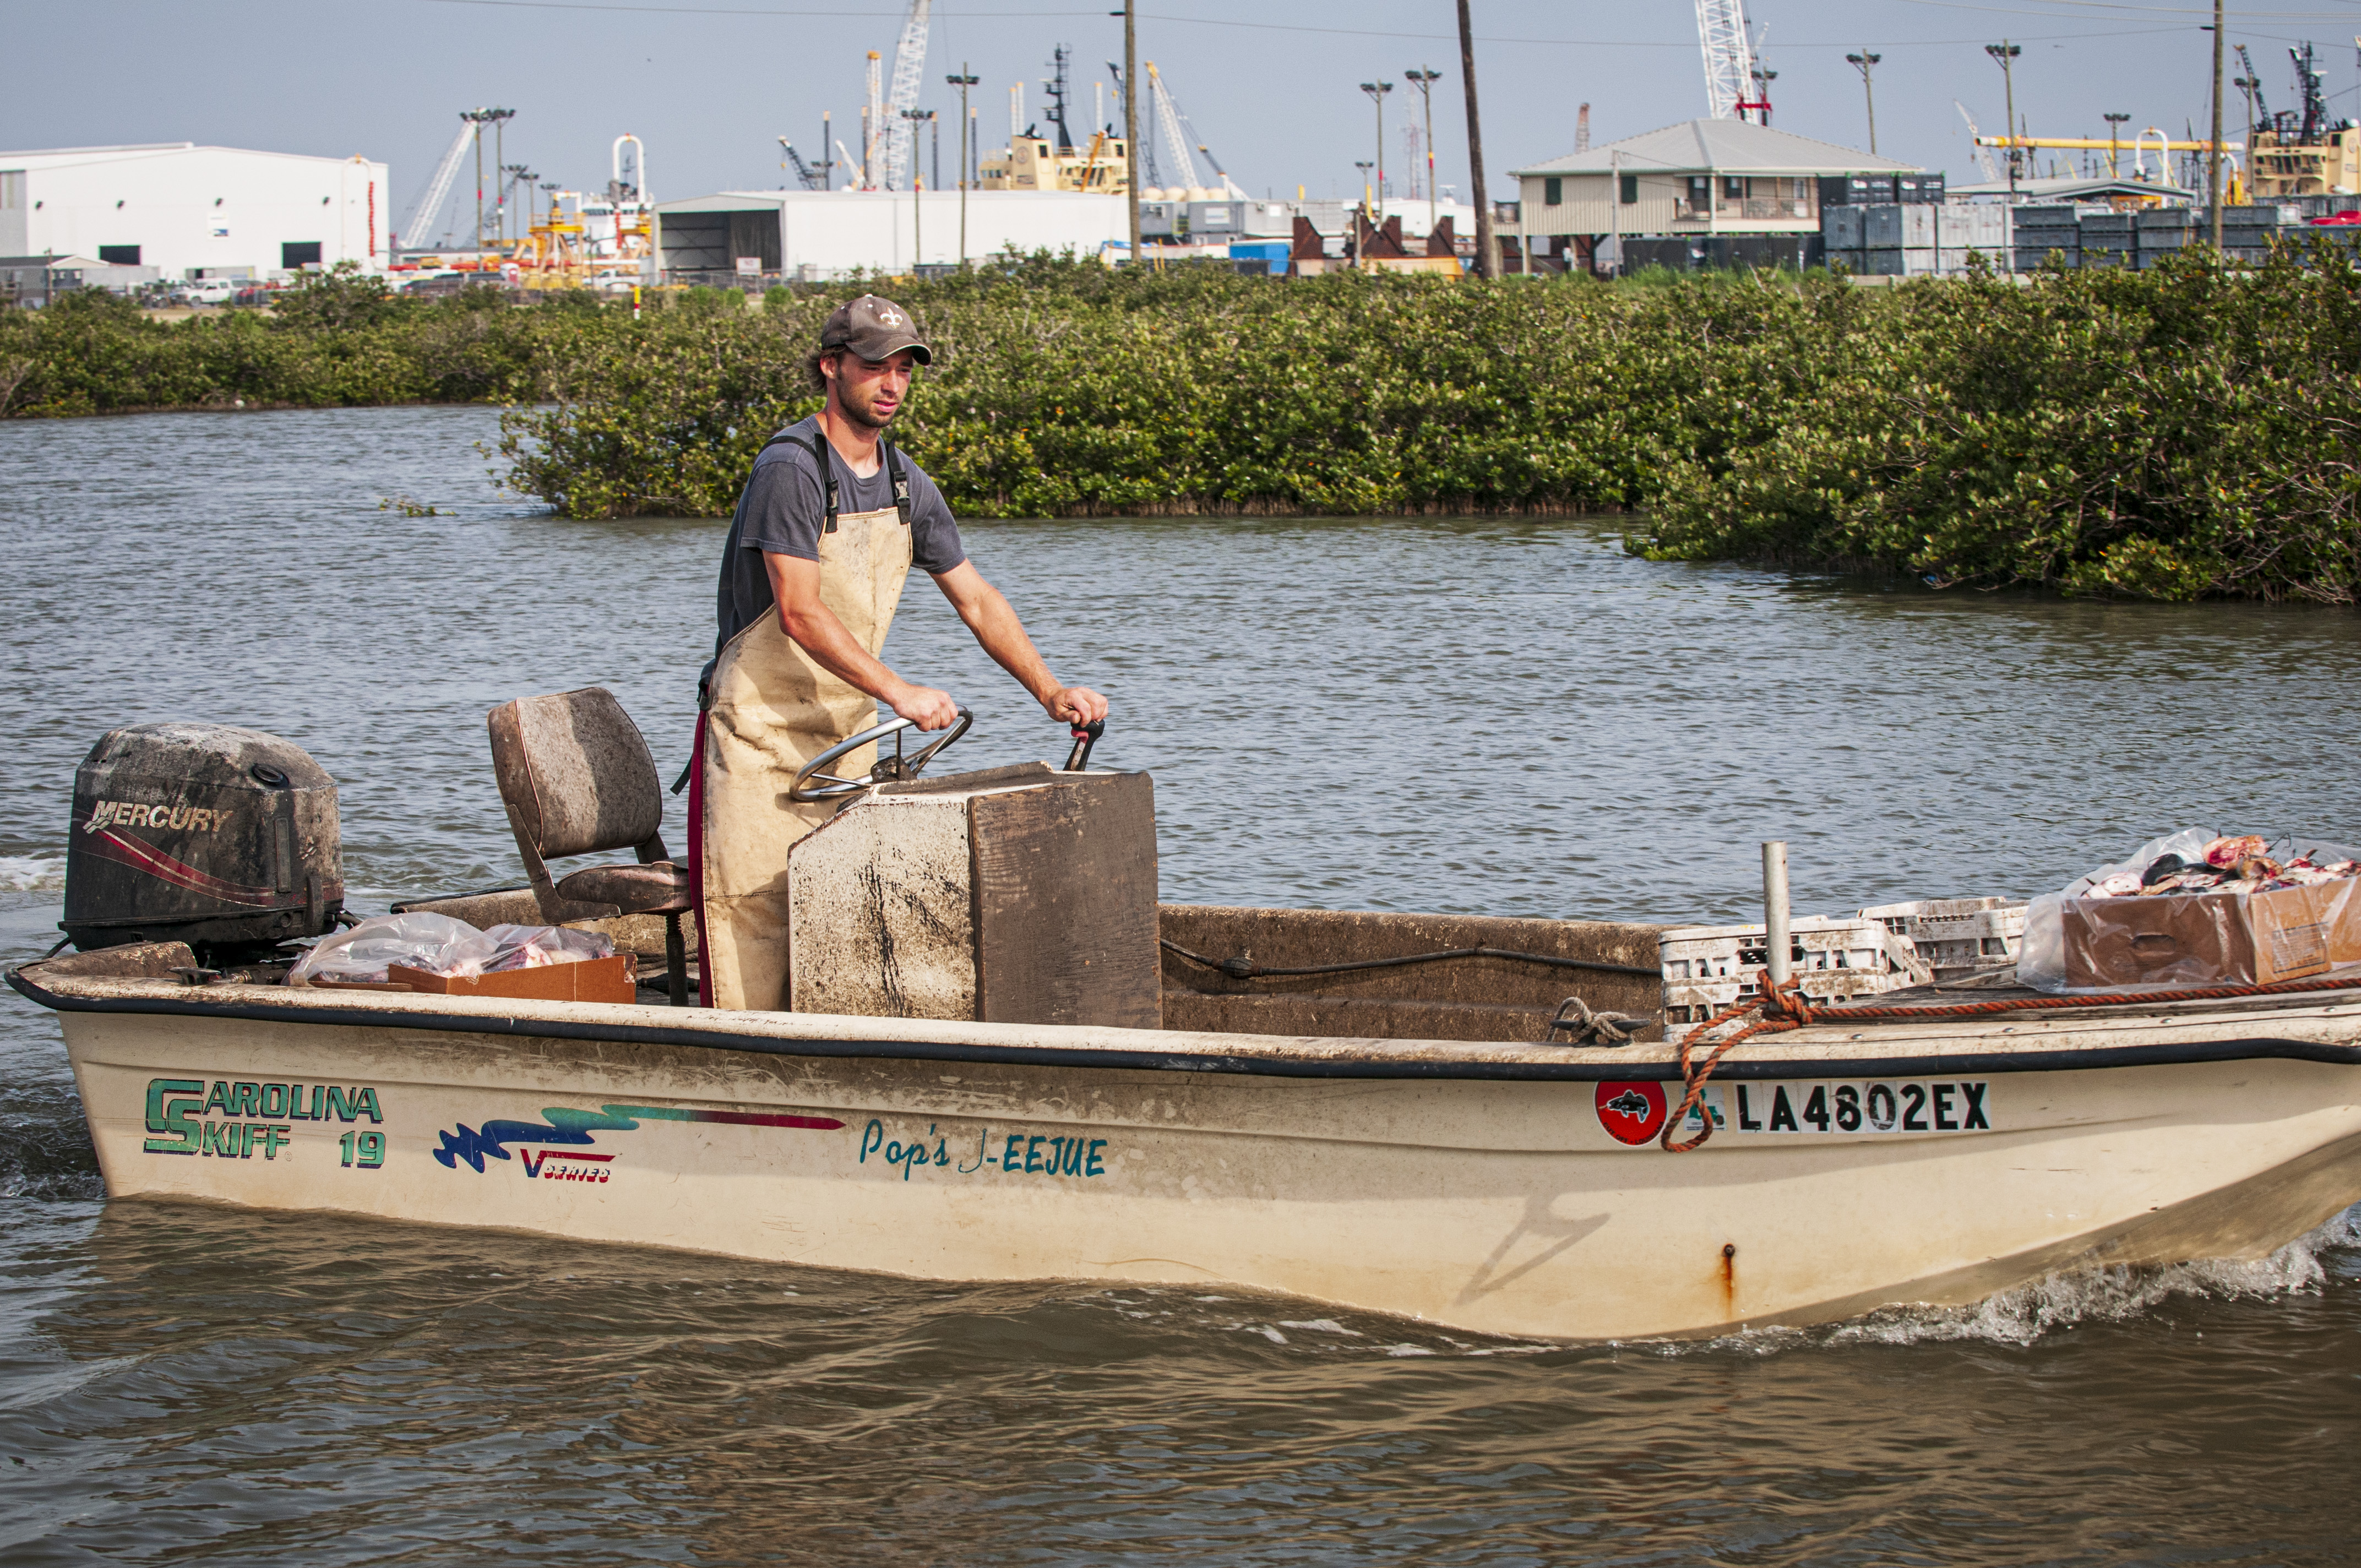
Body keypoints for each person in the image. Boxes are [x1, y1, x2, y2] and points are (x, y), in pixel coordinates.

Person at [689, 293, 1108, 1010]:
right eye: (874, 365)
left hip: (843, 740)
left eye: (905, 369)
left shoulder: (907, 481)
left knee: (847, 928)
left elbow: (975, 597)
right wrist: (899, 692)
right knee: (750, 928)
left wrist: (1049, 690)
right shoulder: (790, 469)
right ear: (831, 367)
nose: (891, 384)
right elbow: (797, 611)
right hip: (759, 738)